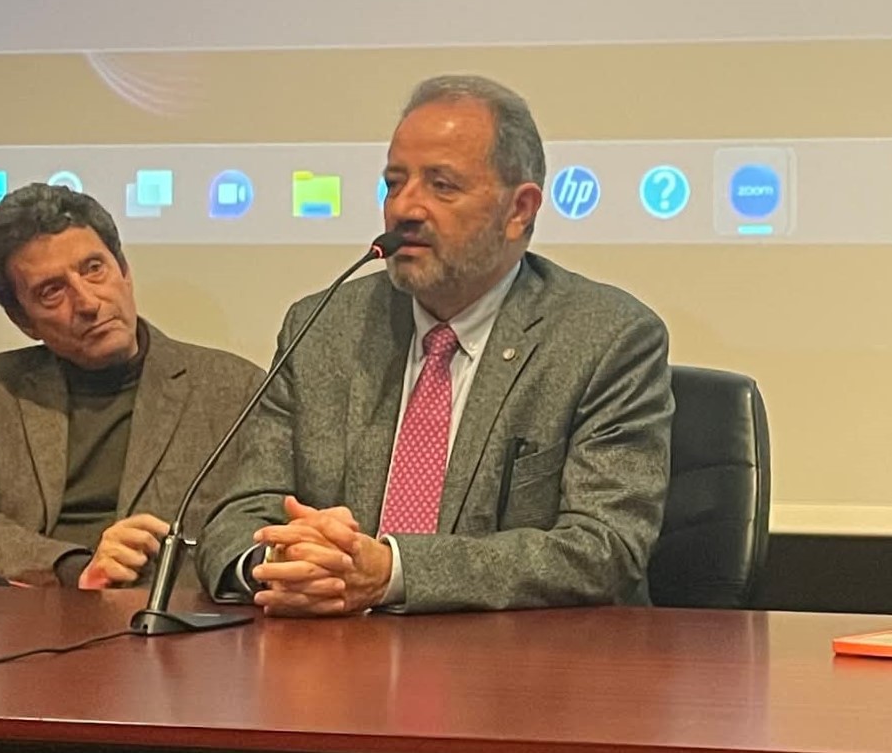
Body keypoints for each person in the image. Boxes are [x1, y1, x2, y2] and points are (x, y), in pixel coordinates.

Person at [195, 74, 674, 616]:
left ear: (519, 209)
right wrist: (279, 564)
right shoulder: (323, 326)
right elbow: (241, 512)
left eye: (441, 186)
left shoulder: (606, 337)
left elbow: (604, 547)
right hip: (335, 650)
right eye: (394, 183)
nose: (404, 208)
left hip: (519, 659)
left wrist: (393, 572)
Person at [0, 183, 264, 589]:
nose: (87, 302)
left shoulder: (234, 389)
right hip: (38, 608)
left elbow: (256, 525)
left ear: (124, 272)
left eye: (94, 269)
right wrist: (73, 566)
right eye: (52, 291)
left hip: (168, 613)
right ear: (22, 321)